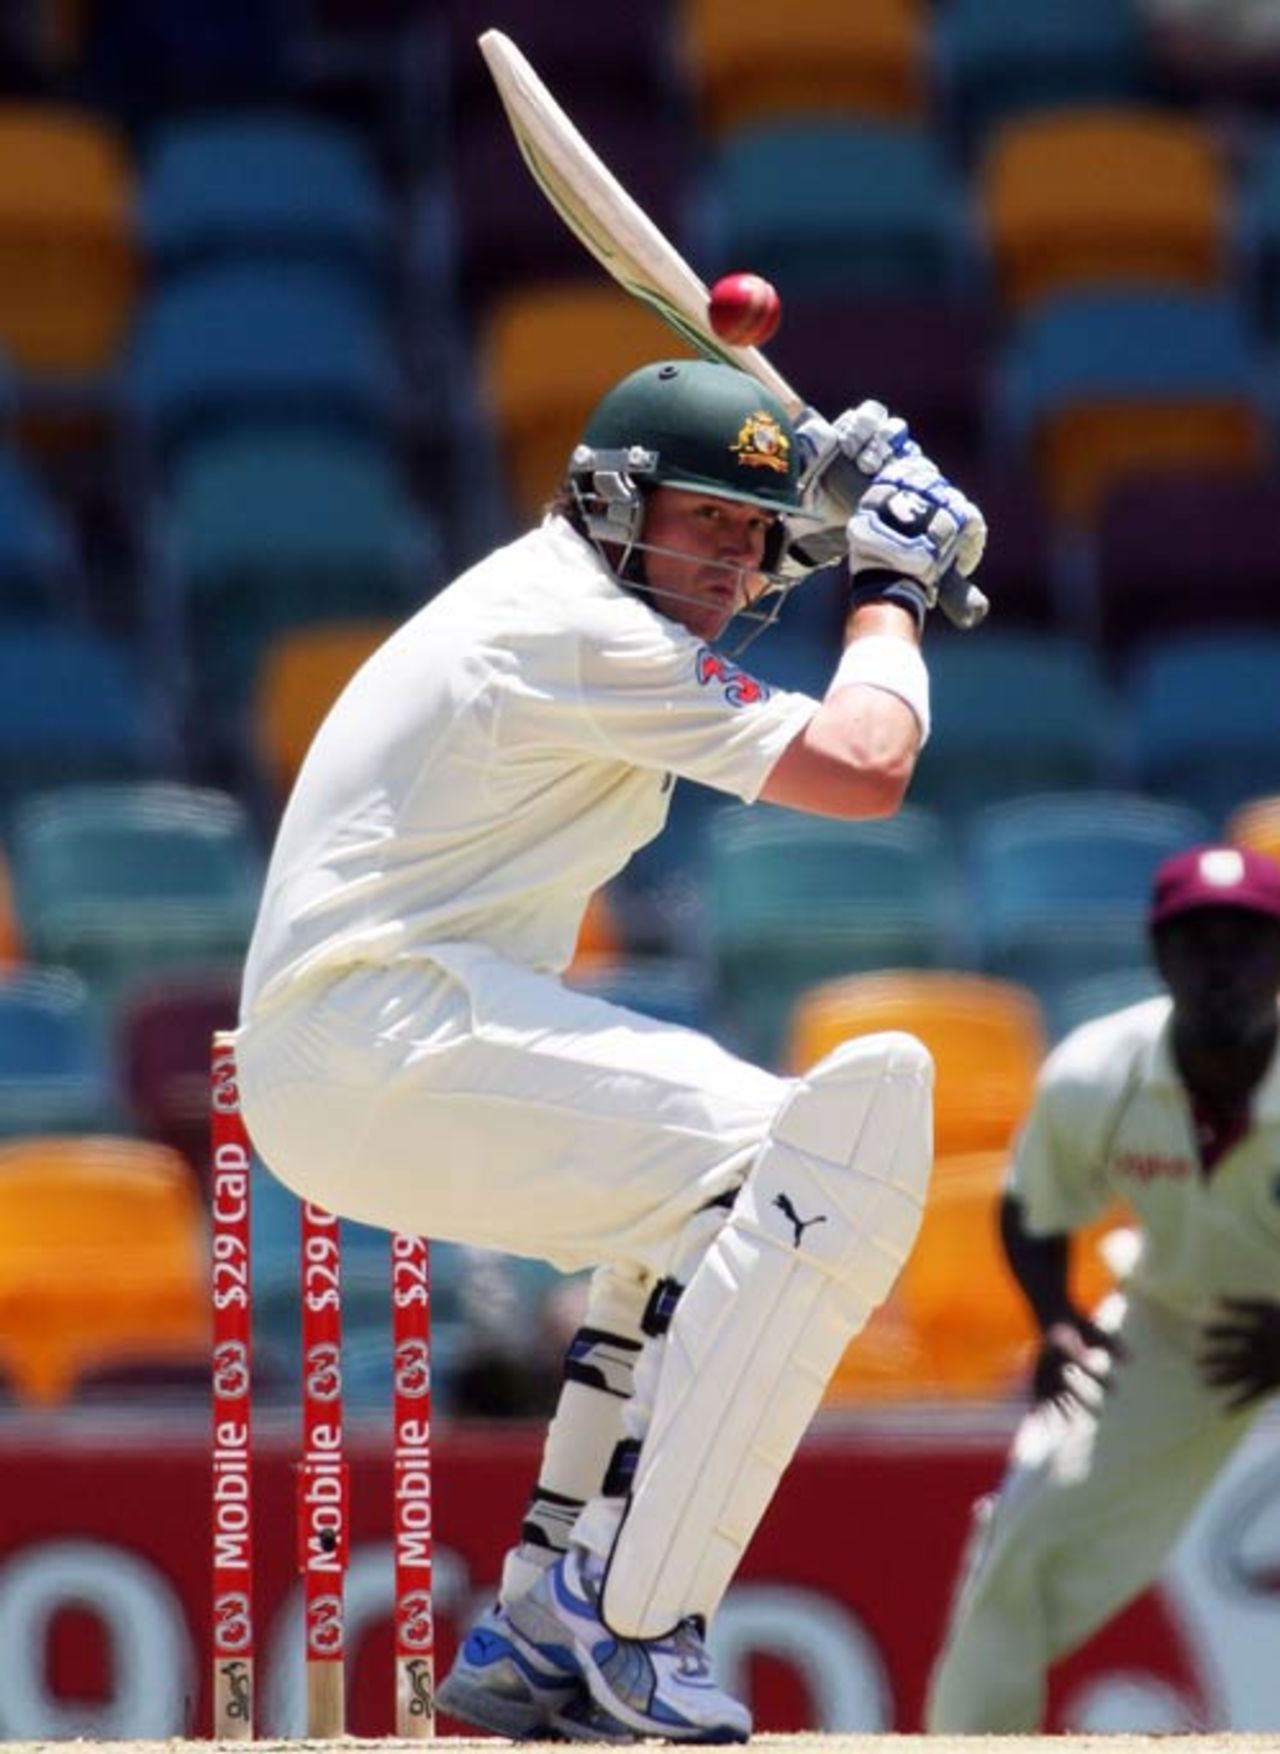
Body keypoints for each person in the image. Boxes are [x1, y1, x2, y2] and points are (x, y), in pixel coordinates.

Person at [235, 356, 987, 1742]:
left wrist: (838, 514)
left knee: (712, 1207)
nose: (735, 567)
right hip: (386, 1030)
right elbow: (865, 766)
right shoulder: (576, 624)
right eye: (708, 522)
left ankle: (542, 1613)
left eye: (759, 541)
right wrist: (892, 587)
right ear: (609, 499)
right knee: (835, 1159)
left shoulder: (585, 611)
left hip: (374, 1050)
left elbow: (746, 582)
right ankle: (634, 1619)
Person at [926, 840, 1280, 1734]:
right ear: (1161, 957)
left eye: (1248, 942)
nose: (1223, 967)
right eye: (1199, 942)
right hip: (1178, 1325)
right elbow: (1033, 1211)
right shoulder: (1097, 1071)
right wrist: (1054, 1322)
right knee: (1020, 1541)